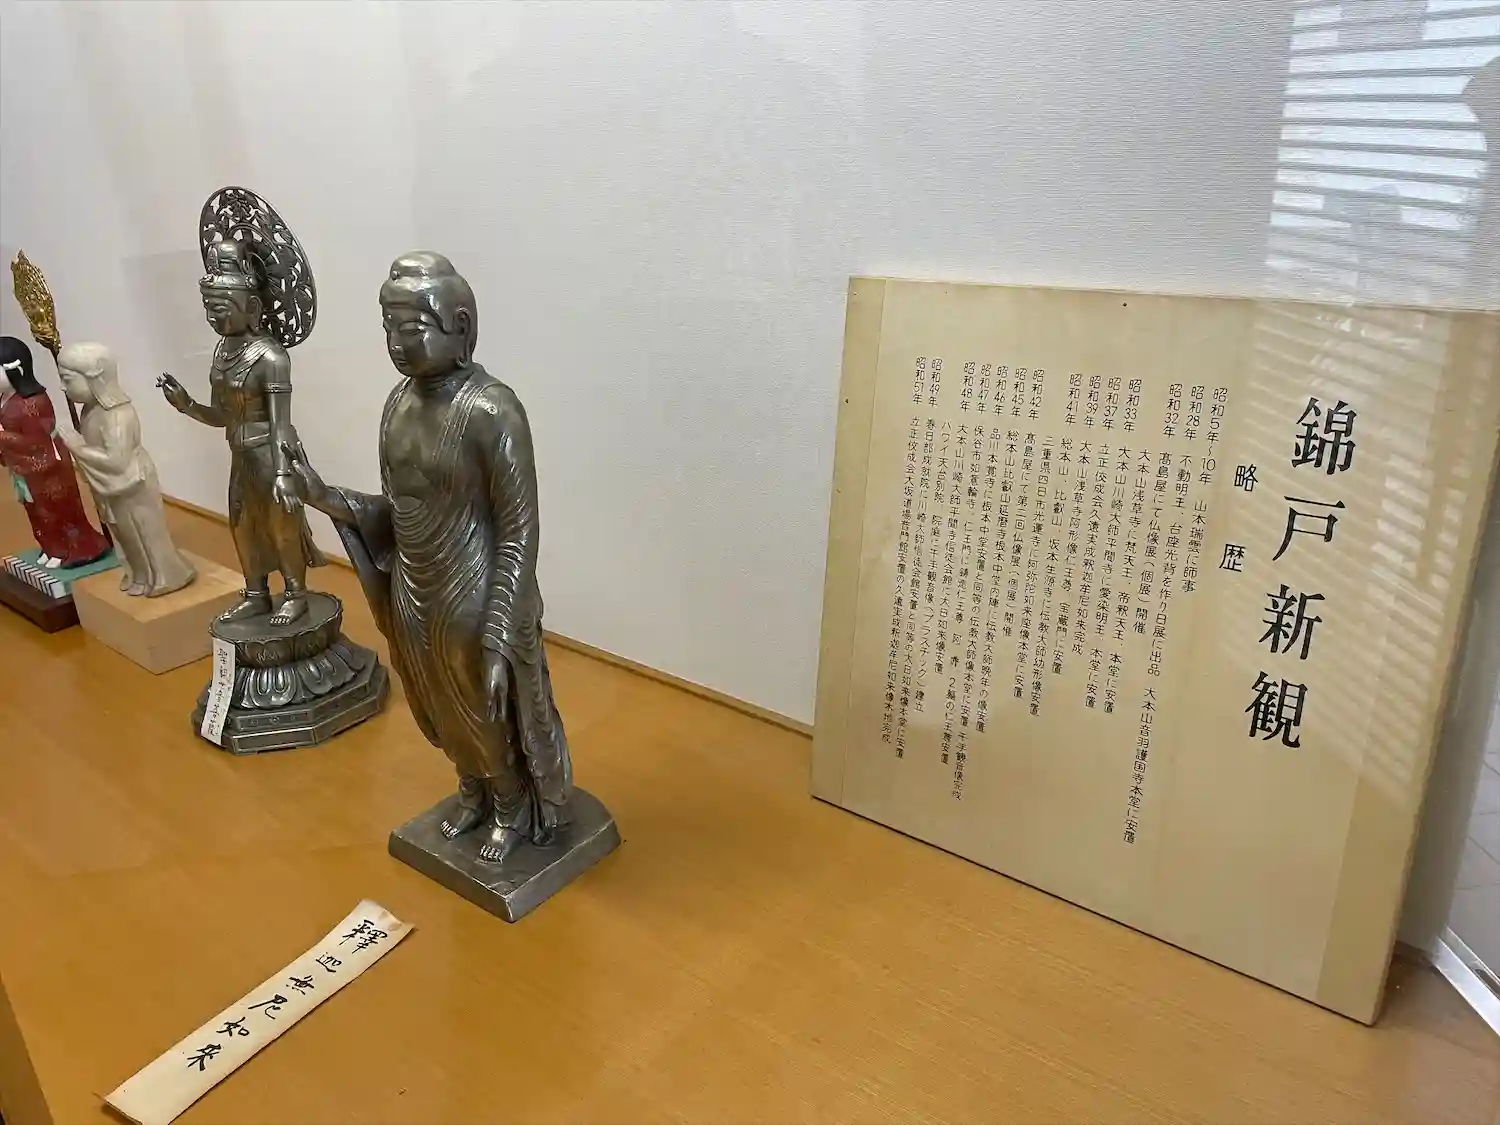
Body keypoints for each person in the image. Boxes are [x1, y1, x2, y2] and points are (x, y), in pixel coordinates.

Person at [286, 252, 571, 864]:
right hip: (415, 584)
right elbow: (394, 512)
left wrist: (500, 629)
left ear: (460, 327)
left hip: (475, 589)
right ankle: (472, 790)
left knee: (484, 705)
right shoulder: (398, 404)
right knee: (435, 701)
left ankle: (511, 804)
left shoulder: (492, 411)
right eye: (388, 327)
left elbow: (519, 531)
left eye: (412, 328)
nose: (396, 343)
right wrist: (323, 495)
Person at [158, 238, 323, 624]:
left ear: (251, 308)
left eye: (221, 308)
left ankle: (296, 594)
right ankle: (256, 594)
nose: (213, 317)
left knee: (281, 525)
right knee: (242, 524)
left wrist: (283, 474)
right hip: (241, 455)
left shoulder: (271, 357)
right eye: (208, 309)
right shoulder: (222, 352)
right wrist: (186, 404)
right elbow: (222, 416)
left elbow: (281, 424)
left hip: (270, 453)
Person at [58, 342, 195, 597]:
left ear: (96, 377)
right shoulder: (91, 411)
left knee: (143, 531)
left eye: (67, 380)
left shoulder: (117, 415)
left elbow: (116, 461)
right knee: (124, 533)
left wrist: (77, 446)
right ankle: (139, 574)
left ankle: (165, 575)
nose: (63, 387)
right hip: (113, 486)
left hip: (132, 482)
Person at [0, 335, 111, 569]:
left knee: (55, 510)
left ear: (14, 369)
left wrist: (2, 436)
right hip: (24, 469)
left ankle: (78, 548)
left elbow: (35, 441)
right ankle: (51, 547)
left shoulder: (34, 401)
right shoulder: (5, 400)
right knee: (35, 511)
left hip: (47, 466)